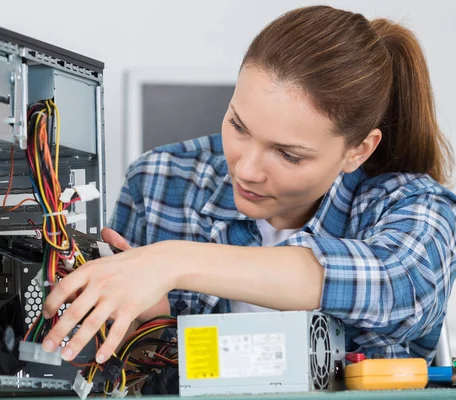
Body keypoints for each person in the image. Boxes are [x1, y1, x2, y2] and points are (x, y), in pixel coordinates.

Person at [40, 5, 456, 365]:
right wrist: (149, 320)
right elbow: (116, 365)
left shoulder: (414, 207)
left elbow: (398, 284)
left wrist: (171, 261)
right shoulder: (160, 179)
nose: (247, 169)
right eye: (238, 126)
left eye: (289, 154)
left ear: (358, 151)